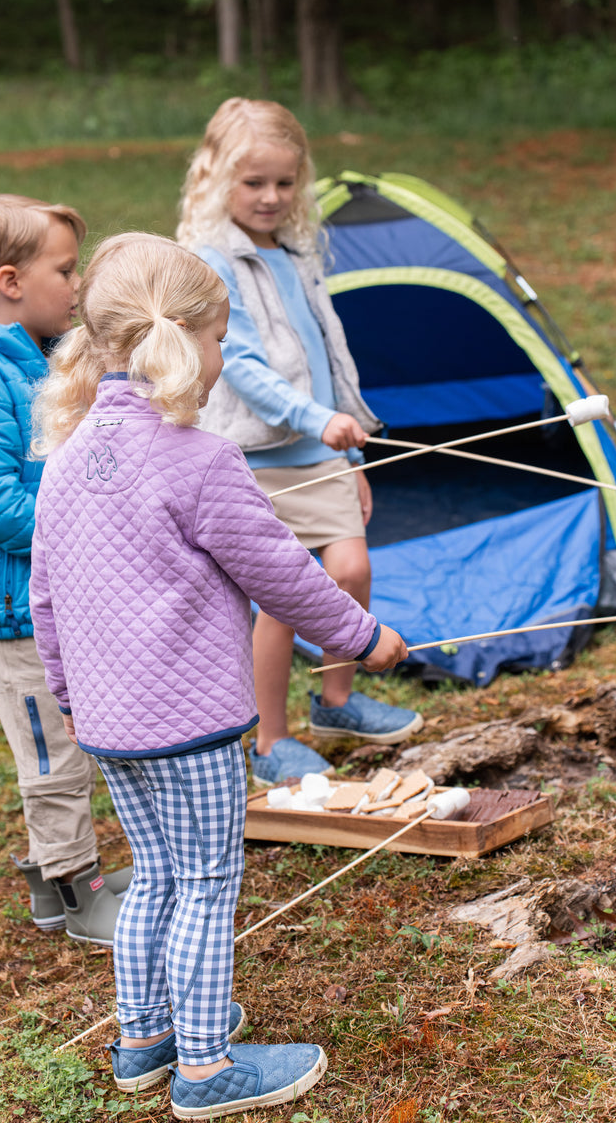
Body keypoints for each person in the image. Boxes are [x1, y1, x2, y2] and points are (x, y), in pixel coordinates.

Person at [28, 231, 409, 1118]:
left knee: (157, 874)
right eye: (219, 341)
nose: (218, 358)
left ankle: (143, 1036)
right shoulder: (204, 461)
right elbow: (284, 576)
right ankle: (204, 1067)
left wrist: (77, 699)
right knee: (204, 882)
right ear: (187, 337)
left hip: (110, 726)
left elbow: (45, 599)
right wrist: (365, 637)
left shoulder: (67, 456)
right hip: (189, 726)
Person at [176, 97, 423, 787]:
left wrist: (345, 449)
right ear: (214, 178)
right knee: (283, 599)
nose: (271, 197)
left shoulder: (299, 251)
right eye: (254, 183)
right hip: (258, 457)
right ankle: (269, 740)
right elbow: (244, 365)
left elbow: (326, 355)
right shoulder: (211, 260)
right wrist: (314, 422)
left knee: (349, 571)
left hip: (323, 450)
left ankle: (337, 701)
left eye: (285, 183)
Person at [0, 193, 131, 947]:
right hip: (18, 608)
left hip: (54, 599)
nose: (77, 286)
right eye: (66, 270)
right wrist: (71, 539)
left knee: (70, 742)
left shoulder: (38, 357)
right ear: (12, 280)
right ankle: (77, 896)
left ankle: (59, 883)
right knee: (51, 755)